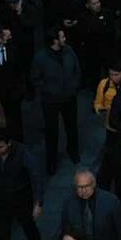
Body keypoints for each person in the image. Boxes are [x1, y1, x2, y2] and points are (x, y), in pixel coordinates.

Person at [31, 27, 82, 175]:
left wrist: (74, 86)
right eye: (62, 37)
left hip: (69, 97)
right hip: (50, 100)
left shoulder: (69, 51)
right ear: (54, 41)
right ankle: (51, 161)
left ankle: (73, 151)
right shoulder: (41, 57)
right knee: (51, 131)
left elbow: (77, 70)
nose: (65, 39)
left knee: (72, 126)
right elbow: (35, 78)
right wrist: (48, 89)